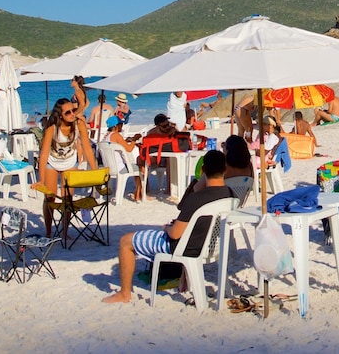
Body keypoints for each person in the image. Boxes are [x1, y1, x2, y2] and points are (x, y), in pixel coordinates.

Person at [102, 150, 236, 304]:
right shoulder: (230, 195)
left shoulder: (196, 199)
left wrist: (166, 228)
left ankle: (125, 293)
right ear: (225, 169)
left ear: (203, 170)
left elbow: (175, 234)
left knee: (126, 241)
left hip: (185, 248)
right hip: (211, 247)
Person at [32, 98, 97, 234]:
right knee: (50, 198)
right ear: (60, 115)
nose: (72, 114)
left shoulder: (79, 124)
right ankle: (49, 231)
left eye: (73, 110)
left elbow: (87, 147)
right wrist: (41, 180)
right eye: (68, 112)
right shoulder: (52, 128)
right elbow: (43, 155)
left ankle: (64, 232)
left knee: (68, 199)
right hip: (52, 162)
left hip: (70, 162)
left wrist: (95, 170)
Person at [104, 116, 142, 201]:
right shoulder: (116, 135)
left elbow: (118, 143)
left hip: (109, 167)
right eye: (121, 124)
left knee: (135, 166)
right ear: (115, 126)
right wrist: (134, 140)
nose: (122, 126)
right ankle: (139, 194)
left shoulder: (107, 136)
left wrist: (125, 140)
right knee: (139, 168)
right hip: (119, 167)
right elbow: (129, 149)